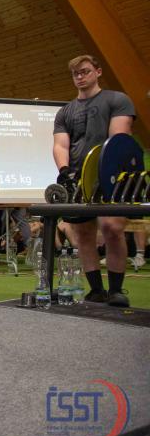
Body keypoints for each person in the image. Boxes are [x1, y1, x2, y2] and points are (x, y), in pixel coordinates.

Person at [53, 54, 136, 307]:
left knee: (112, 228)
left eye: (85, 71)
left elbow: (118, 139)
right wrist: (65, 171)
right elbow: (60, 145)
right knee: (83, 234)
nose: (80, 77)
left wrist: (103, 172)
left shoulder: (117, 100)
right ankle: (96, 290)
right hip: (78, 179)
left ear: (98, 72)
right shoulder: (65, 111)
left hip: (112, 177)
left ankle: (116, 290)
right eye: (76, 73)